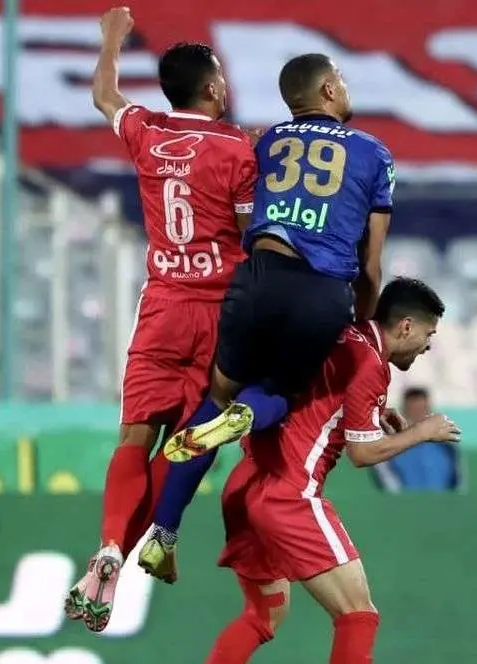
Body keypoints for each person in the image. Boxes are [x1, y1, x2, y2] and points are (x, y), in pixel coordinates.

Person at [162, 278, 459, 664]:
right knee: (358, 614)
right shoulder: (371, 363)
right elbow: (363, 453)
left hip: (247, 485)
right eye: (428, 334)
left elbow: (324, 395)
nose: (428, 345)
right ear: (406, 326)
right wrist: (422, 432)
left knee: (264, 615)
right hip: (291, 493)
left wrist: (371, 410)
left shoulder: (342, 336)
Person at [139, 52, 397, 581]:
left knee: (214, 398)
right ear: (328, 90)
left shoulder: (263, 142)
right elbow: (371, 266)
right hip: (322, 290)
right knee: (282, 389)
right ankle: (248, 415)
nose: (346, 87)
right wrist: (360, 330)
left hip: (257, 277)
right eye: (341, 79)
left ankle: (163, 534)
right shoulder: (374, 153)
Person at [64, 7, 258, 632]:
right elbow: (253, 234)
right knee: (185, 445)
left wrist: (111, 40)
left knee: (133, 439)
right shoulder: (238, 148)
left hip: (163, 307)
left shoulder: (145, 131)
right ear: (212, 87)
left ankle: (108, 547)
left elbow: (104, 95)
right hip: (219, 313)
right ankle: (132, 552)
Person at [374, 387, 463, 492]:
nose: (418, 415)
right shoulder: (390, 446)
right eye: (414, 410)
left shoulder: (448, 449)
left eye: (422, 409)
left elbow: (458, 484)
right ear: (404, 410)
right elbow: (388, 483)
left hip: (442, 502)